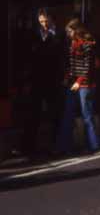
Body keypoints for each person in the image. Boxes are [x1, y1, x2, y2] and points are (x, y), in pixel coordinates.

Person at [21, 9, 65, 156]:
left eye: (46, 21)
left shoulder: (59, 35)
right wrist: (27, 79)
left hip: (53, 79)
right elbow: (28, 58)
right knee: (33, 114)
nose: (44, 24)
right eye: (41, 22)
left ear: (51, 19)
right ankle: (28, 148)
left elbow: (62, 57)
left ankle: (57, 146)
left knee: (55, 114)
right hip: (37, 79)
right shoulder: (34, 35)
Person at [56, 18, 100, 154]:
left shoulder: (87, 44)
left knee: (86, 115)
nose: (68, 34)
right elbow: (72, 66)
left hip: (85, 84)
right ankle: (64, 147)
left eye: (69, 31)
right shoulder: (72, 45)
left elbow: (87, 67)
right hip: (73, 83)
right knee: (68, 114)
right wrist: (67, 78)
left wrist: (78, 82)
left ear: (76, 31)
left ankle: (93, 145)